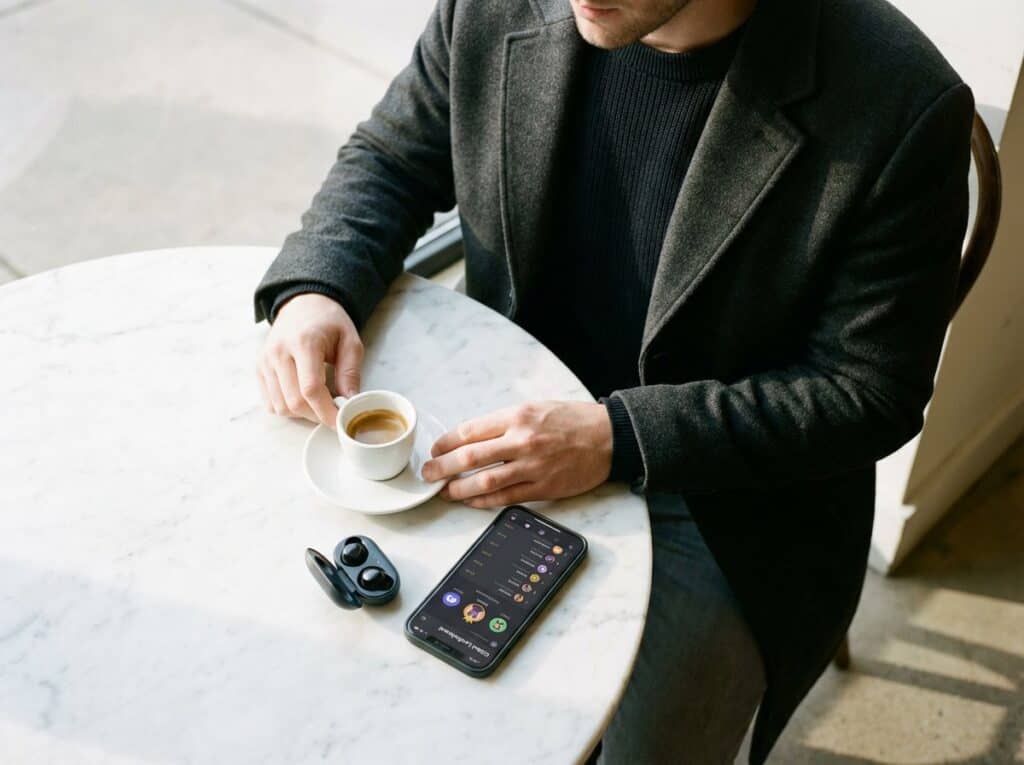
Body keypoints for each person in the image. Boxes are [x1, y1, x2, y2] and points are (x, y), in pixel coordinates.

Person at [252, 0, 974, 761]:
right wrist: (317, 289)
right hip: (495, 405)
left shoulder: (899, 100)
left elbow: (868, 391)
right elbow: (395, 157)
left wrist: (616, 437)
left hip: (722, 499)